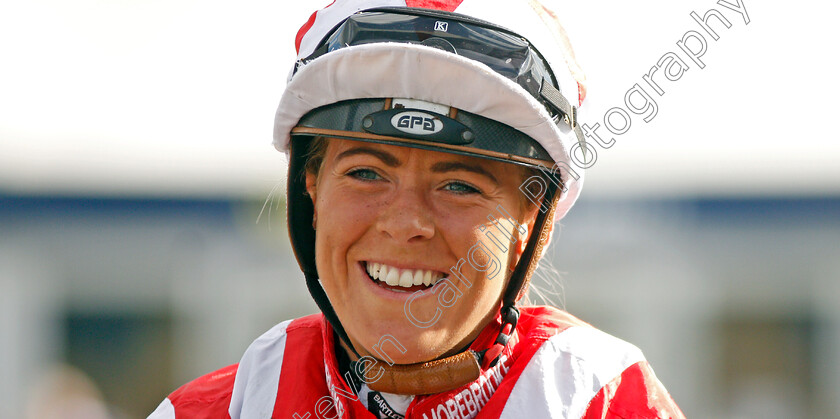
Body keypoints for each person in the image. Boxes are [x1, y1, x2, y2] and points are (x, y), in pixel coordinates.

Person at [150, 1, 685, 417]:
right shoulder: (216, 412)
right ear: (309, 189)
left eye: (459, 185)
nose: (406, 224)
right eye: (366, 173)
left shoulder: (603, 403)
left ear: (530, 220)